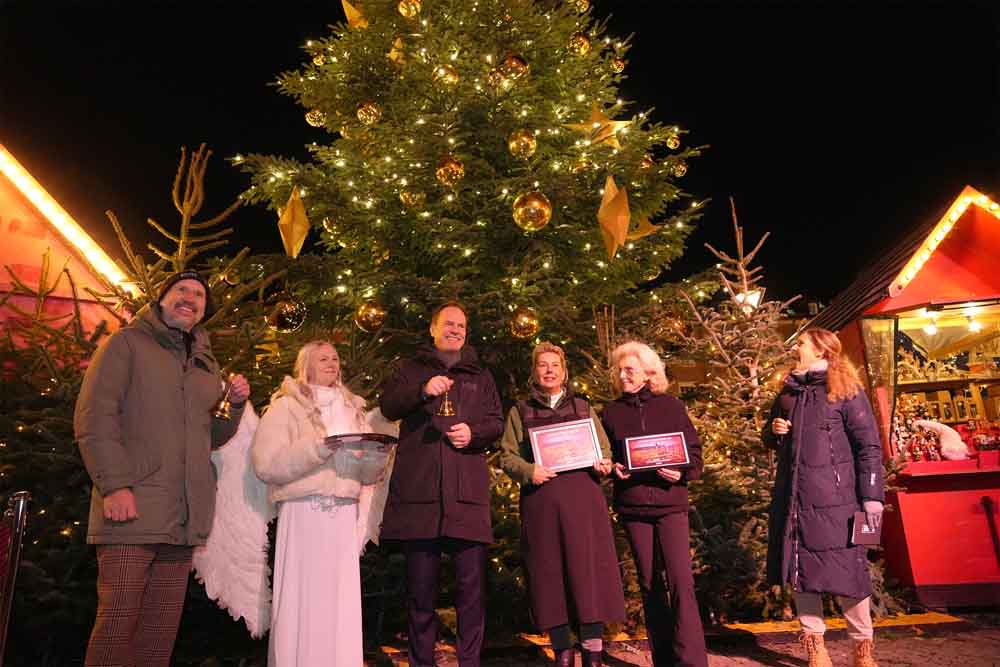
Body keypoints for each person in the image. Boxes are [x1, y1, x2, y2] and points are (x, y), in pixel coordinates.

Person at [74, 270, 250, 667]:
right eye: (181, 290)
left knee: (158, 633)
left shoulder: (206, 363)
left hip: (184, 516)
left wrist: (234, 405)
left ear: (204, 310)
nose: (190, 298)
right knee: (117, 623)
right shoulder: (127, 344)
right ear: (162, 298)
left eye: (199, 296)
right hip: (131, 508)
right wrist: (115, 486)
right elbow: (94, 417)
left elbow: (212, 436)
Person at [251, 340, 396, 666]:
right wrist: (319, 448)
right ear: (305, 366)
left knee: (338, 599)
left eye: (334, 358)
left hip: (343, 514)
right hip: (304, 511)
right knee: (304, 596)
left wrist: (375, 457)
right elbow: (267, 465)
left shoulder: (352, 408)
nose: (331, 363)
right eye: (322, 358)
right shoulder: (286, 408)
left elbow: (365, 475)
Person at [379, 301, 503, 667]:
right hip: (421, 500)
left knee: (471, 595)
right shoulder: (411, 369)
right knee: (420, 596)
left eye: (461, 326)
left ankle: (470, 662)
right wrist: (422, 390)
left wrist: (475, 432)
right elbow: (388, 406)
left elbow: (496, 421)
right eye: (448, 324)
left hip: (467, 501)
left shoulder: (481, 375)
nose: (455, 330)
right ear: (432, 329)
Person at [498, 342, 624, 667]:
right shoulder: (520, 412)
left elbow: (605, 451)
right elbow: (507, 455)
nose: (550, 370)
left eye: (555, 364)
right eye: (543, 365)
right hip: (543, 503)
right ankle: (563, 653)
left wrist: (603, 463)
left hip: (584, 503)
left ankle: (593, 653)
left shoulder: (583, 407)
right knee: (549, 574)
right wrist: (529, 470)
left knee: (588, 573)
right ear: (535, 372)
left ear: (564, 371)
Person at [763, 328, 884, 667]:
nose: (795, 346)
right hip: (796, 503)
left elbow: (868, 446)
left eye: (800, 342)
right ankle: (815, 646)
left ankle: (862, 648)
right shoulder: (788, 394)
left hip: (840, 503)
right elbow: (769, 436)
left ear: (820, 349)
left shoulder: (845, 390)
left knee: (851, 574)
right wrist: (773, 431)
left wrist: (872, 496)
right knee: (802, 572)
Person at [600, 341, 707, 667]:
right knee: (649, 584)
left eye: (629, 369)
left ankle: (691, 661)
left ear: (648, 372)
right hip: (633, 507)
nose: (623, 375)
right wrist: (614, 469)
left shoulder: (672, 406)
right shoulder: (611, 412)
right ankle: (663, 659)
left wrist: (681, 473)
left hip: (670, 505)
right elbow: (608, 459)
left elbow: (695, 455)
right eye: (619, 370)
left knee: (680, 582)